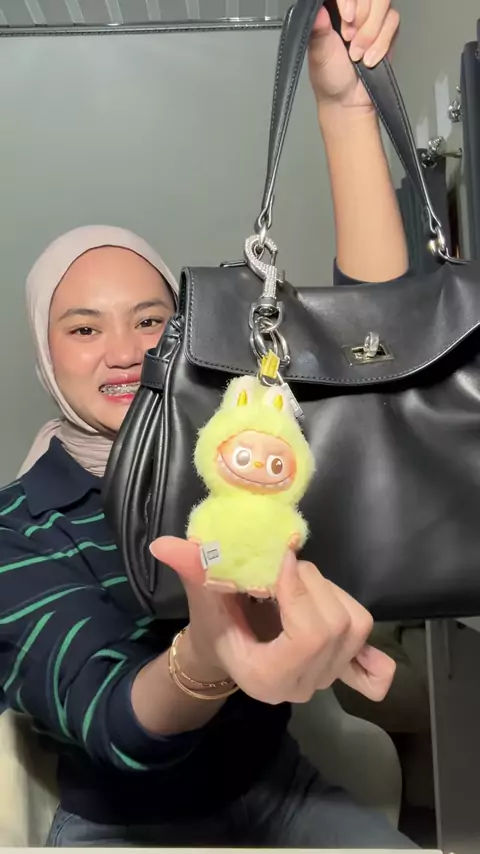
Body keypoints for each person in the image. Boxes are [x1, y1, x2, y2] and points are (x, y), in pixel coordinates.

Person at [0, 1, 416, 848]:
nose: (124, 351)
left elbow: (374, 357)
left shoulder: (238, 455)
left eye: (151, 320)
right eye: (83, 328)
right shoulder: (19, 527)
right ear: (47, 357)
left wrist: (346, 110)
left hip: (281, 790)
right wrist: (207, 654)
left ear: (181, 333)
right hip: (123, 822)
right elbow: (106, 714)